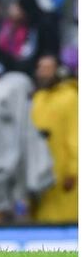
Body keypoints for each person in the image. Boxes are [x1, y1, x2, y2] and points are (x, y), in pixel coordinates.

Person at [30, 56, 77, 223]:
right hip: (39, 172)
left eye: (47, 68)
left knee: (64, 220)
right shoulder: (38, 98)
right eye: (40, 68)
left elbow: (75, 135)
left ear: (58, 71)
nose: (42, 73)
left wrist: (73, 170)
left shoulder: (71, 97)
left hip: (63, 174)